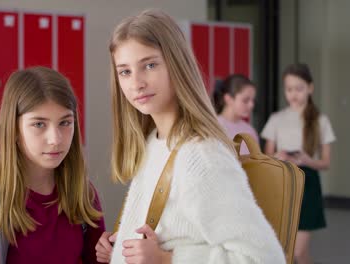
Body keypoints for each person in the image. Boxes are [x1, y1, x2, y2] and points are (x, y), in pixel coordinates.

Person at [95, 9, 285, 264]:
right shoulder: (156, 141)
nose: (136, 83)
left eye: (149, 65)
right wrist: (120, 251)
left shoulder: (200, 154)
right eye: (125, 71)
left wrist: (167, 259)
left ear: (177, 65)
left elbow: (264, 258)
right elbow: (174, 231)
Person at [0, 66, 105, 263]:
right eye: (39, 124)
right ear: (14, 129)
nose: (55, 139)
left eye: (65, 123)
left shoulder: (84, 194)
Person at [261, 63, 335, 264]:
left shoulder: (321, 120)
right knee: (284, 253)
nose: (293, 94)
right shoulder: (276, 119)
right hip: (282, 184)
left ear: (310, 88)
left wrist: (307, 160)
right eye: (289, 89)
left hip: (308, 185)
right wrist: (280, 155)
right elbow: (266, 158)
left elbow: (326, 163)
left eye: (299, 88)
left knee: (298, 253)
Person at [213, 74, 258, 154]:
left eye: (252, 100)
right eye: (245, 100)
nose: (251, 105)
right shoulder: (213, 126)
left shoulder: (250, 130)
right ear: (228, 99)